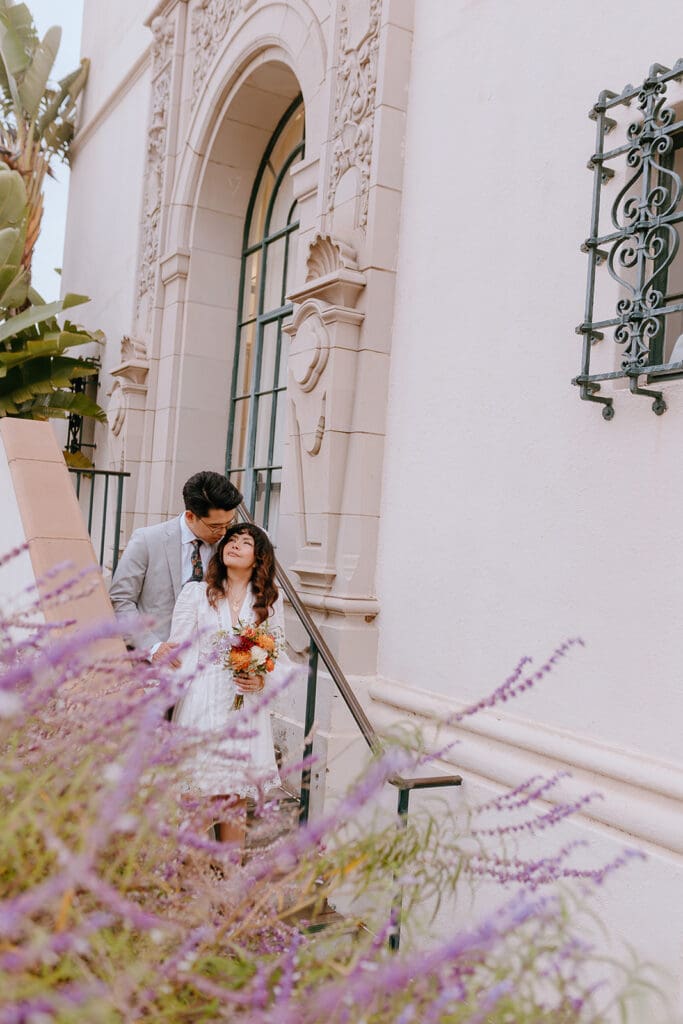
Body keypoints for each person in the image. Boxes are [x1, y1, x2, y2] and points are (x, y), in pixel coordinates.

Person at [168, 523, 283, 845]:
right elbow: (179, 647)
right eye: (231, 540)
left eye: (245, 542)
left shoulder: (269, 600)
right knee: (198, 794)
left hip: (245, 707)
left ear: (258, 557)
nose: (234, 545)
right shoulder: (195, 592)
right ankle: (192, 879)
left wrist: (260, 678)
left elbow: (278, 652)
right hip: (202, 700)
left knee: (234, 796)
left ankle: (231, 882)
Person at [109, 470, 242, 663]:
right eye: (215, 526)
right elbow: (121, 600)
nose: (223, 532)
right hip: (155, 664)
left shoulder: (227, 547)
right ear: (190, 516)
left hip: (208, 664)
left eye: (228, 524)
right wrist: (152, 647)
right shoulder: (147, 540)